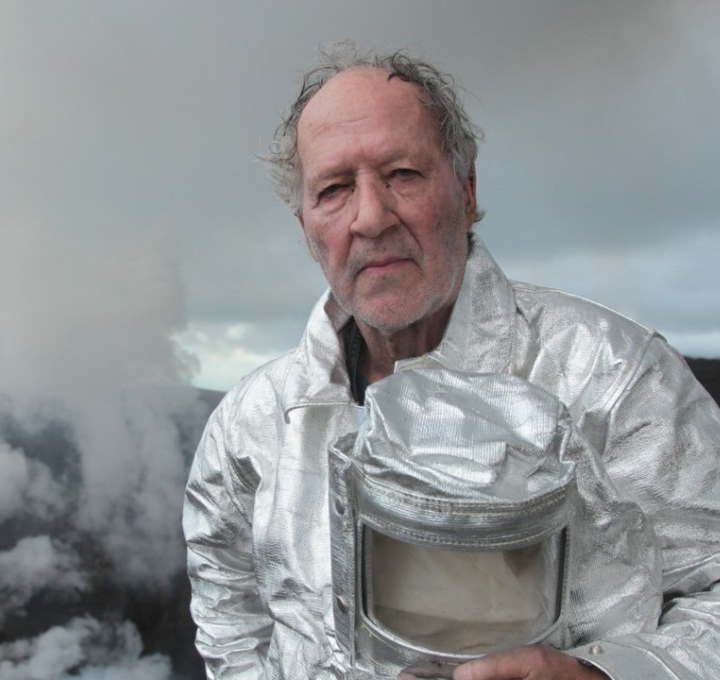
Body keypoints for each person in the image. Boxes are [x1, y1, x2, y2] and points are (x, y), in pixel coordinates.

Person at [183, 43, 720, 680]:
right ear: (306, 228)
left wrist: (604, 674)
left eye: (402, 175)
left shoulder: (617, 378)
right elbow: (228, 617)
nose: (371, 216)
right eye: (333, 189)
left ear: (466, 192)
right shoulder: (252, 423)